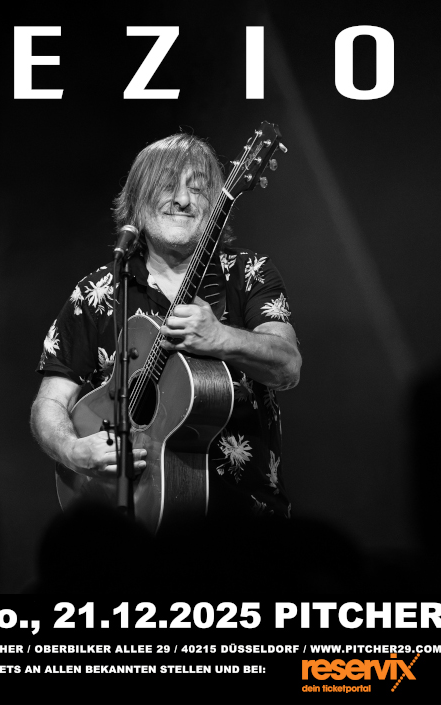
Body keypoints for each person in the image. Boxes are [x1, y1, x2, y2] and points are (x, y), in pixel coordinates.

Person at [31, 132, 301, 521]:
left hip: (245, 522)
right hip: (130, 528)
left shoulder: (250, 273)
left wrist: (222, 338)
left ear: (217, 203)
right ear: (137, 201)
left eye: (198, 188)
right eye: (167, 186)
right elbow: (51, 402)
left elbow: (288, 366)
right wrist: (72, 450)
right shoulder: (98, 292)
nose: (183, 200)